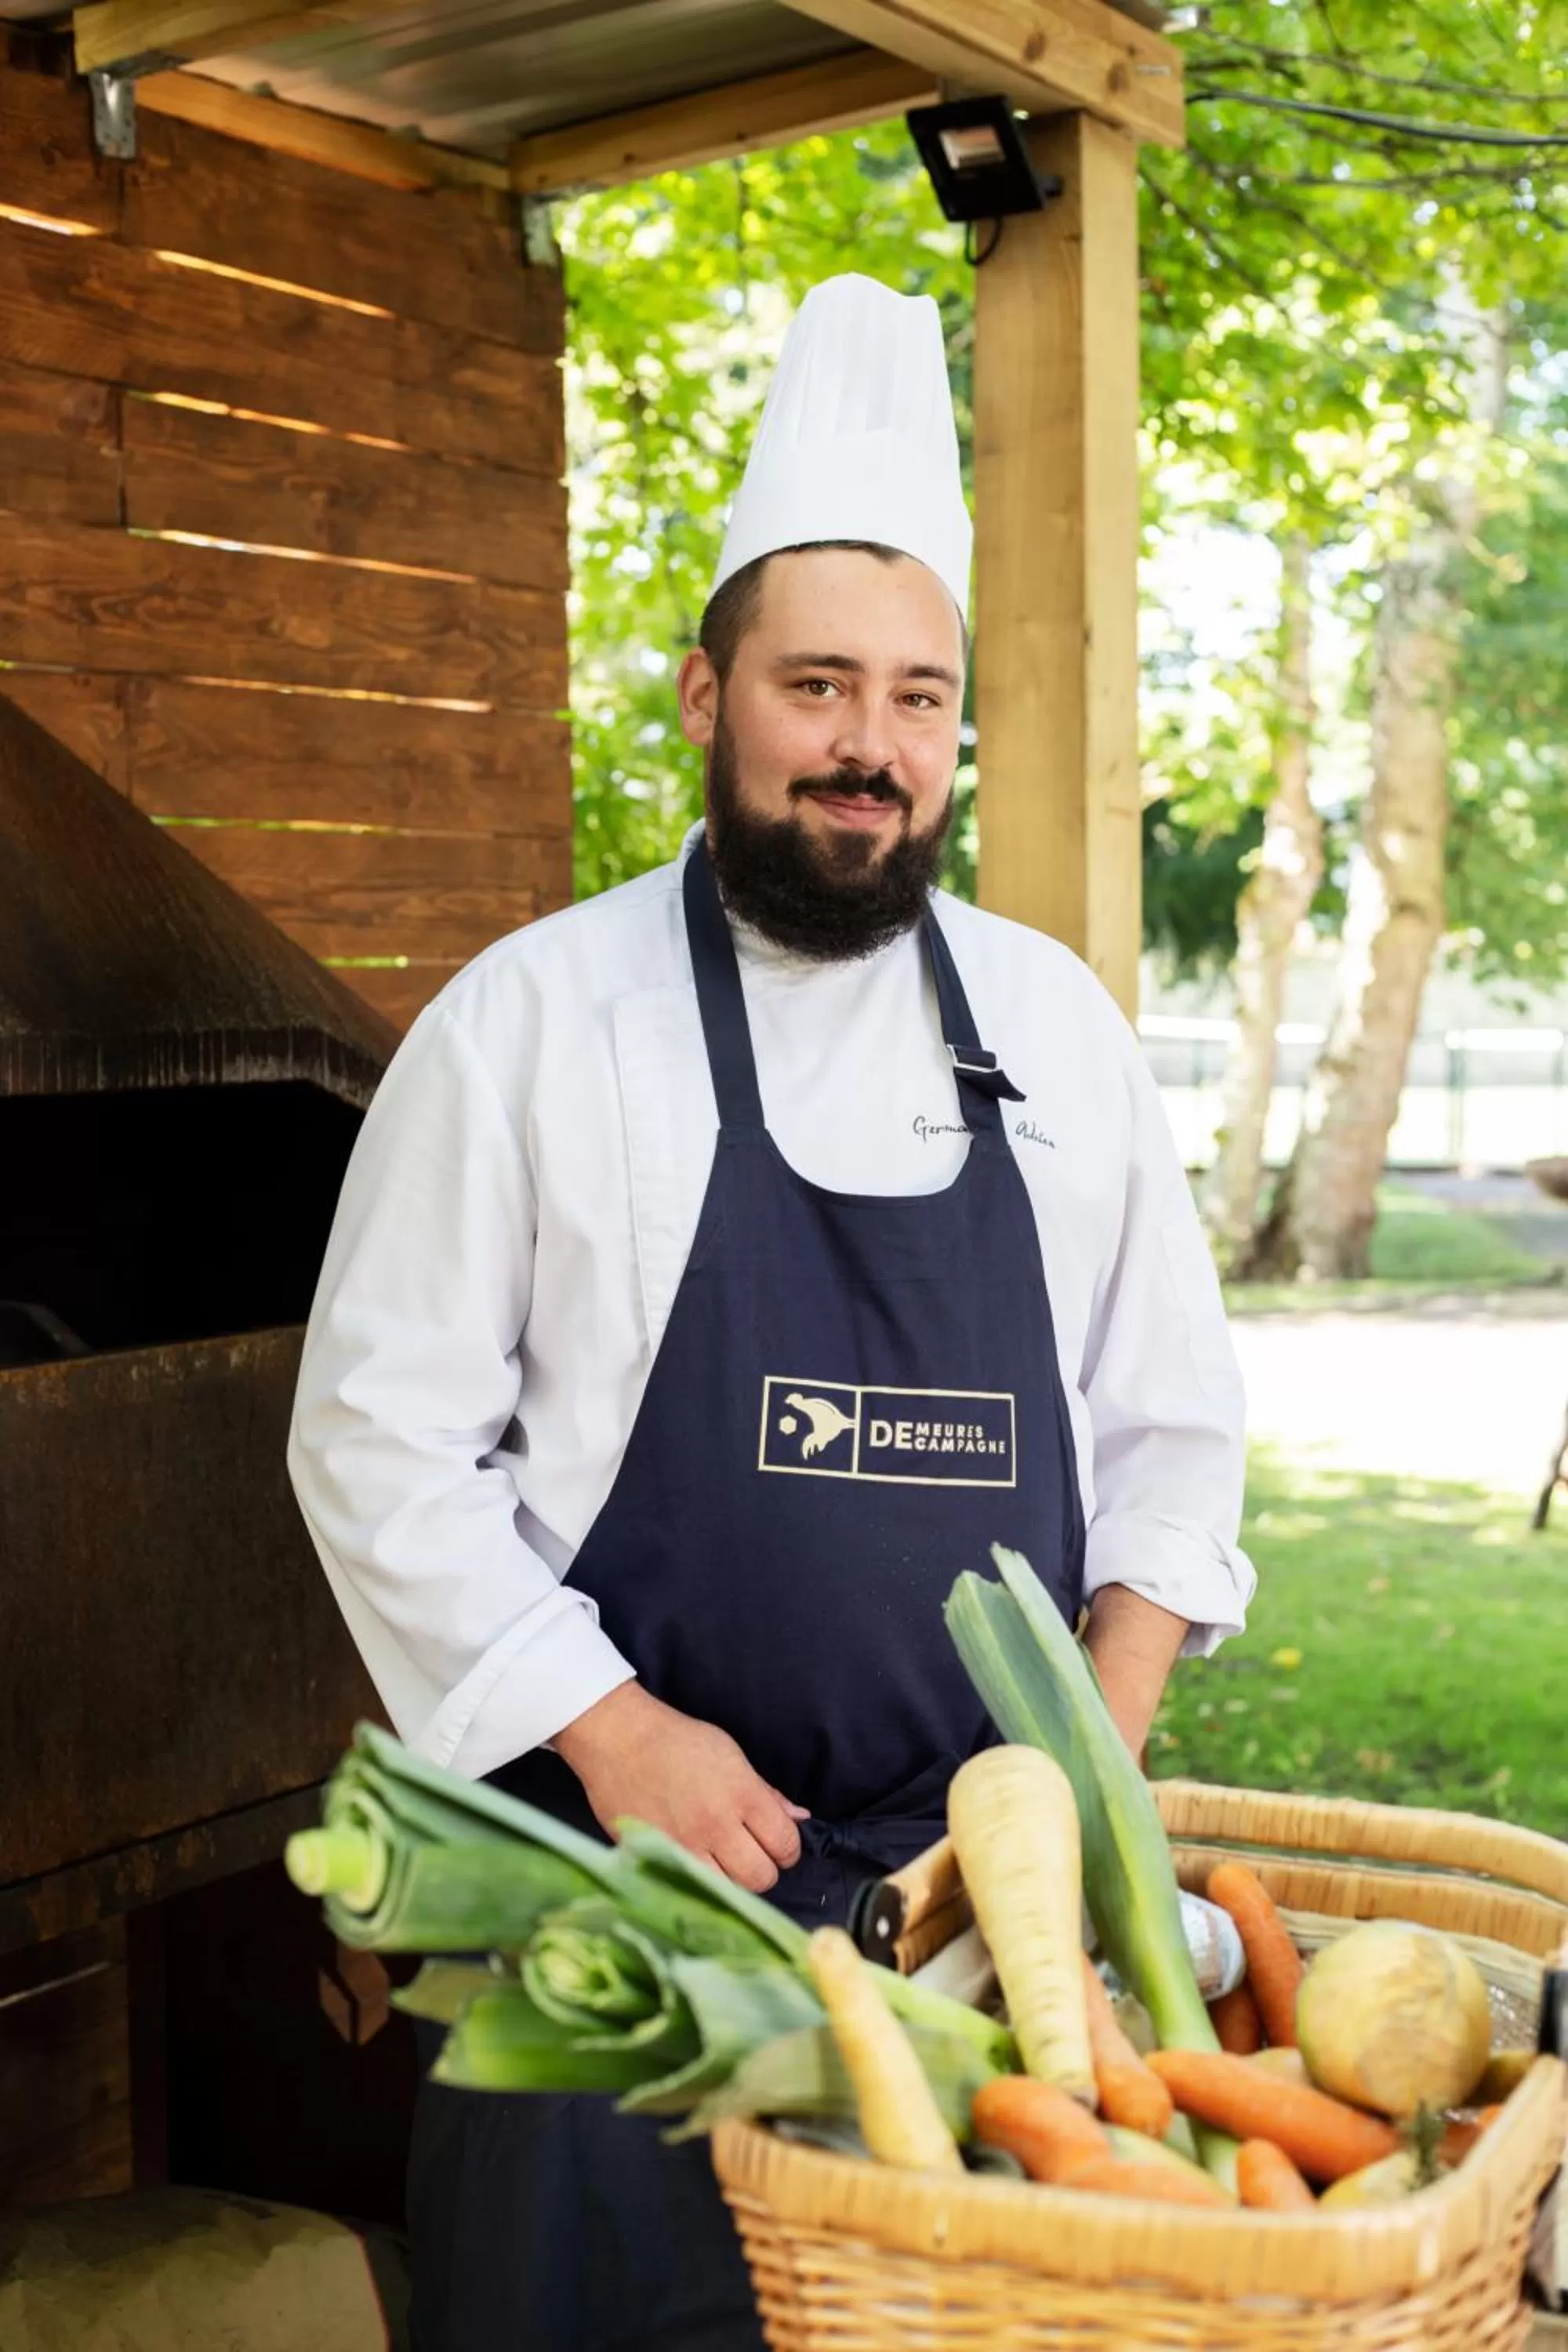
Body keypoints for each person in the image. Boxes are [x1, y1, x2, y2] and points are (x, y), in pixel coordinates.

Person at [288, 271, 1255, 2351]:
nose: (869, 750)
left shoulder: (1060, 1036)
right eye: (817, 686)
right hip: (616, 1915)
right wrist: (617, 1733)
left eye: (917, 698)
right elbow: (372, 1442)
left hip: (972, 1932)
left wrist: (1076, 1805)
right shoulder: (531, 1027)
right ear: (704, 692)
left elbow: (1172, 1443)